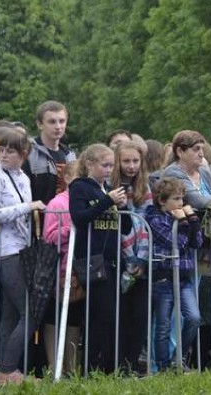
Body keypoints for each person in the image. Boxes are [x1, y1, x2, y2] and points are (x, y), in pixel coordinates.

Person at [0, 130, 46, 385]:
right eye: (2, 149)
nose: (5, 154)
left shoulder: (23, 177)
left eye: (11, 150)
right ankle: (8, 370)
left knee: (11, 314)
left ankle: (1, 371)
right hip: (2, 252)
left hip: (20, 249)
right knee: (29, 313)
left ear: (23, 154)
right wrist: (28, 207)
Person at [68, 144, 130, 374]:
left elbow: (126, 227)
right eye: (104, 165)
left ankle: (110, 366)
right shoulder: (80, 187)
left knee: (114, 316)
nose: (108, 170)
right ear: (89, 165)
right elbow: (79, 217)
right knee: (101, 315)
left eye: (111, 166)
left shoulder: (109, 189)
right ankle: (92, 366)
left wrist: (124, 207)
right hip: (93, 260)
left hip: (113, 259)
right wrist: (107, 202)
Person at [146, 177, 203, 371]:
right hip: (164, 277)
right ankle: (162, 365)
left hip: (184, 277)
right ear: (162, 201)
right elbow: (177, 242)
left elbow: (197, 242)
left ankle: (177, 359)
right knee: (162, 326)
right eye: (176, 199)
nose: (181, 203)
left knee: (194, 318)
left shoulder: (183, 218)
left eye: (182, 199)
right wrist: (184, 223)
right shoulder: (155, 219)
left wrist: (192, 221)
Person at [112, 141, 153, 374]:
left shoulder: (145, 188)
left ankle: (133, 362)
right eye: (126, 161)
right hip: (119, 255)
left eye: (135, 161)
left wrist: (141, 259)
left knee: (140, 314)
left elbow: (145, 226)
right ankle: (119, 363)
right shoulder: (110, 186)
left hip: (141, 255)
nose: (131, 166)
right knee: (122, 314)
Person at [42, 161, 83, 377]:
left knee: (74, 319)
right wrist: (71, 228)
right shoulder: (57, 203)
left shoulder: (85, 202)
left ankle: (71, 366)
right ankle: (53, 366)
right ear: (67, 178)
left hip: (79, 268)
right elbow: (49, 237)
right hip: (59, 268)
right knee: (54, 317)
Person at [24, 101, 76, 208]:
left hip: (64, 218)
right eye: (52, 122)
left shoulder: (70, 155)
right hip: (36, 218)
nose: (58, 126)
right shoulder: (28, 152)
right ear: (40, 124)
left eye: (62, 121)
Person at [160, 131, 211, 209]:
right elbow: (198, 202)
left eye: (202, 149)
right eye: (196, 149)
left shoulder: (205, 172)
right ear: (180, 151)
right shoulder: (173, 173)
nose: (202, 154)